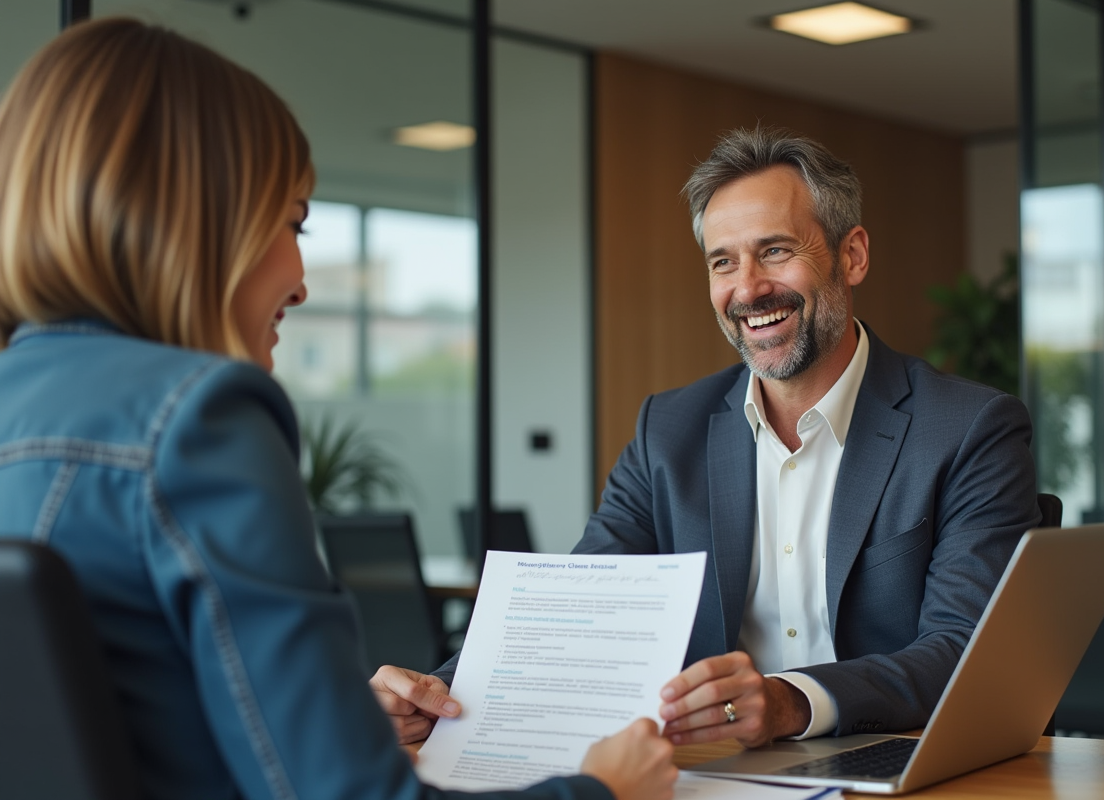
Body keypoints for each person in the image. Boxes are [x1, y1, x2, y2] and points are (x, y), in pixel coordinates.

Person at [0, 18, 675, 800]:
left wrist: (336, 719)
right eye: (293, 223)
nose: (300, 282)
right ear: (196, 220)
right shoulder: (199, 422)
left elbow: (130, 722)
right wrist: (602, 790)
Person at [377, 127, 1040, 750]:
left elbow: (964, 647)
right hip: (720, 769)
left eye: (775, 251)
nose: (748, 289)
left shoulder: (968, 429)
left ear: (852, 255)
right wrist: (438, 694)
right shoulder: (667, 431)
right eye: (724, 262)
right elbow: (580, 611)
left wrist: (791, 702)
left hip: (895, 760)